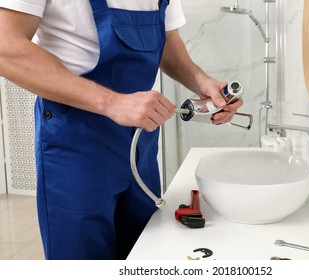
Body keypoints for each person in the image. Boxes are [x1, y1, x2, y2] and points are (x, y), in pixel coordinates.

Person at [0, 0, 243, 260]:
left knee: (143, 251)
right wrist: (112, 102)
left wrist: (201, 82)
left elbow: (168, 41)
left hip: (140, 139)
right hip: (76, 143)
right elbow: (6, 47)